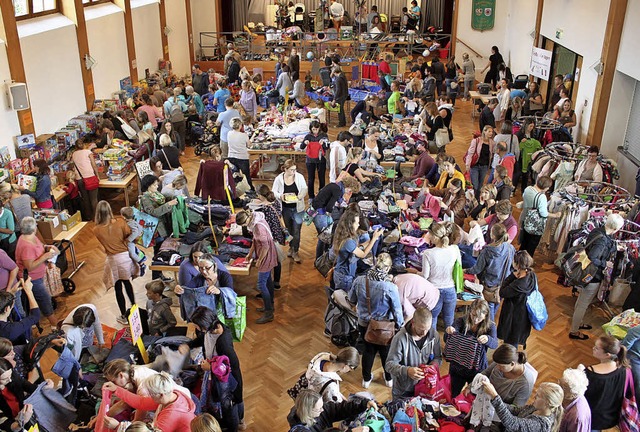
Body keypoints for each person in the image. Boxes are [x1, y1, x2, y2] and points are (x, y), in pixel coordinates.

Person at [181, 306, 245, 430]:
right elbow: (202, 339)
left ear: (205, 325)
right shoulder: (211, 330)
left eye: (198, 326)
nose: (196, 328)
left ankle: (234, 426)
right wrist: (189, 345)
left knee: (229, 407)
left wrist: (210, 367)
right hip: (215, 375)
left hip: (226, 382)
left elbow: (233, 367)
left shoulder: (223, 343)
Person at [349, 254, 404, 389]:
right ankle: (388, 379)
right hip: (385, 326)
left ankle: (366, 379)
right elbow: (397, 311)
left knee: (368, 351)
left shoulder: (360, 280)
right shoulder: (390, 287)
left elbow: (351, 300)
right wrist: (400, 325)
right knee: (386, 352)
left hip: (364, 323)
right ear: (388, 268)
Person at [569, 213, 624, 340]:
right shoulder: (602, 241)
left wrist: (615, 247)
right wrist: (606, 263)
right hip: (593, 275)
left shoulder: (598, 231)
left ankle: (578, 323)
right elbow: (593, 257)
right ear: (616, 229)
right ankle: (574, 331)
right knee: (584, 303)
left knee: (582, 300)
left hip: (586, 272)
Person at [102, 373, 196, 432]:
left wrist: (118, 427)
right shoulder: (172, 395)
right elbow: (141, 402)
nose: (149, 397)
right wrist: (116, 389)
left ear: (161, 395)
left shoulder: (170, 416)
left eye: (151, 394)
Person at [93, 201, 137, 325]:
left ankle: (123, 315)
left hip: (112, 259)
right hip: (125, 257)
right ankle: (134, 307)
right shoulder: (120, 222)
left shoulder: (96, 230)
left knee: (118, 287)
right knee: (128, 283)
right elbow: (129, 234)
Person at [445, 299, 499, 396]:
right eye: (473, 315)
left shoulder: (490, 327)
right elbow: (447, 338)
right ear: (470, 311)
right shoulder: (461, 321)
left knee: (473, 396)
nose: (475, 319)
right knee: (453, 393)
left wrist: (488, 339)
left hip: (476, 368)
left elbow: (495, 344)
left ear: (486, 315)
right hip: (458, 368)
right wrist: (449, 331)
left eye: (479, 317)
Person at [386, 307, 442, 399]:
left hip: (425, 388)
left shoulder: (434, 335)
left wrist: (433, 366)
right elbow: (389, 365)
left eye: (427, 329)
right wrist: (407, 371)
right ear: (413, 323)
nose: (424, 333)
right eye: (421, 329)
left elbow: (438, 358)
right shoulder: (400, 338)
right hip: (403, 390)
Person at [15, 217, 58, 327]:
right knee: (45, 301)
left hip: (38, 276)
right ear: (34, 228)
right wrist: (46, 256)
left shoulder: (30, 237)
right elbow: (30, 267)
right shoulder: (26, 246)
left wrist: (47, 247)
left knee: (42, 299)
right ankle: (55, 326)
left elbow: (40, 247)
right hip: (32, 279)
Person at [466, 224, 516, 320]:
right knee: (496, 302)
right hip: (504, 283)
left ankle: (489, 329)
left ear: (493, 236)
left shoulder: (487, 251)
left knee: (489, 310)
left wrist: (467, 270)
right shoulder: (510, 248)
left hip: (490, 284)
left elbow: (477, 269)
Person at [236, 211, 278, 324]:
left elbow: (265, 246)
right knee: (268, 280)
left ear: (247, 220)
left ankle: (269, 312)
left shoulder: (258, 227)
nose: (244, 227)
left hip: (266, 256)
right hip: (265, 254)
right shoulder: (255, 221)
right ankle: (270, 306)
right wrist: (250, 254)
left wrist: (259, 260)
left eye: (243, 224)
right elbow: (255, 241)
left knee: (261, 284)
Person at [584, 336, 629, 431]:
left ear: (607, 355)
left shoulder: (591, 373)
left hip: (593, 417)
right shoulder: (623, 369)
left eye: (596, 348)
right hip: (611, 415)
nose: (593, 348)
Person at [481, 380, 564, 432]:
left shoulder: (540, 424)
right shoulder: (537, 407)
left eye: (538, 396)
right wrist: (493, 401)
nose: (534, 397)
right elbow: (515, 410)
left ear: (547, 403)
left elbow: (512, 423)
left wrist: (495, 396)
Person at [422, 222, 461, 330]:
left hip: (434, 290)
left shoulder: (428, 253)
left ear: (434, 237)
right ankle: (450, 344)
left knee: (432, 318)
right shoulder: (454, 249)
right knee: (449, 321)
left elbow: (425, 276)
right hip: (450, 289)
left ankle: (433, 344)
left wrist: (416, 273)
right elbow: (459, 268)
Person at [331, 211, 382, 292]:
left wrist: (371, 239)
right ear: (351, 225)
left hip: (341, 273)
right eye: (357, 223)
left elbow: (357, 248)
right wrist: (374, 239)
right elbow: (363, 254)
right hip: (345, 277)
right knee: (345, 300)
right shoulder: (348, 241)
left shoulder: (344, 235)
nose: (358, 225)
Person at [312, 175, 361, 260]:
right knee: (323, 238)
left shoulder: (335, 185)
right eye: (350, 190)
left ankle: (320, 257)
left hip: (315, 213)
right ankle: (320, 260)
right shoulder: (338, 190)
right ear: (349, 187)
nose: (349, 192)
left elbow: (335, 199)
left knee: (323, 237)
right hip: (320, 215)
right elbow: (329, 207)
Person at [139, 175, 177, 281]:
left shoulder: (155, 195)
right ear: (148, 186)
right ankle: (156, 277)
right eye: (154, 185)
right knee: (158, 252)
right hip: (156, 230)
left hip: (162, 226)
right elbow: (154, 212)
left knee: (159, 251)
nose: (157, 186)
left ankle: (158, 276)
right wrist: (168, 204)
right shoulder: (145, 198)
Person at [497, 250, 537, 348]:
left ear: (518, 264)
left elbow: (502, 292)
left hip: (513, 317)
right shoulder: (531, 275)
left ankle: (508, 359)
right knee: (514, 339)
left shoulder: (518, 284)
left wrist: (512, 276)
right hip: (523, 315)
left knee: (510, 341)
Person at [287, 389, 376, 432]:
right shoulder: (299, 430)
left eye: (322, 406)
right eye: (318, 409)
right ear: (307, 411)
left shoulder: (320, 410)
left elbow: (340, 409)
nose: (322, 410)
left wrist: (364, 404)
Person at [273, 159, 308, 264]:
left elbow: (304, 189)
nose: (293, 172)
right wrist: (280, 196)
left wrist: (299, 197)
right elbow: (274, 191)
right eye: (291, 170)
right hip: (286, 209)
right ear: (285, 169)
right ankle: (291, 247)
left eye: (295, 170)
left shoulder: (299, 177)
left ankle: (295, 251)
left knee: (297, 231)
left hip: (298, 208)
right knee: (289, 230)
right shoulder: (279, 179)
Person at [250, 184, 286, 285]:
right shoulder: (276, 203)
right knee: (277, 259)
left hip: (269, 237)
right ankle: (277, 282)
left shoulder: (263, 209)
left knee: (269, 260)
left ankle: (269, 283)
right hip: (278, 234)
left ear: (260, 195)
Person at [0, 278, 41, 344]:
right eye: (12, 306)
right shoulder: (9, 330)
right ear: (6, 309)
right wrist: (29, 291)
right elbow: (35, 316)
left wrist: (12, 293)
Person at [300, 120, 329, 199]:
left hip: (321, 160)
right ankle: (311, 197)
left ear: (319, 128)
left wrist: (323, 144)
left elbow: (327, 147)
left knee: (322, 178)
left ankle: (321, 195)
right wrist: (304, 143)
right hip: (310, 161)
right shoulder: (308, 136)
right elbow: (301, 147)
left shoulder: (324, 135)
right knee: (310, 179)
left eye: (317, 129)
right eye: (313, 129)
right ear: (311, 129)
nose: (315, 131)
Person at [465, 125, 496, 199]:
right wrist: (467, 165)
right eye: (489, 131)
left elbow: (492, 154)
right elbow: (470, 153)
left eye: (492, 132)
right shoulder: (476, 141)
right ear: (484, 132)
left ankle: (477, 199)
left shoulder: (492, 143)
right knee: (475, 184)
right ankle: (473, 199)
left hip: (484, 166)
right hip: (475, 166)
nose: (491, 133)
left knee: (480, 185)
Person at [559, 368, 591, 432]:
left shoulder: (577, 417)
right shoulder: (567, 397)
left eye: (563, 387)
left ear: (573, 394)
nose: (558, 387)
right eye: (559, 382)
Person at [227, 117, 254, 192]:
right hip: (242, 158)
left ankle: (233, 190)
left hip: (231, 157)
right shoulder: (244, 135)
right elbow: (249, 145)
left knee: (234, 175)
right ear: (240, 126)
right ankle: (251, 190)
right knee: (246, 175)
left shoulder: (229, 133)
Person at [120, 206, 146, 272]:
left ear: (123, 217)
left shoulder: (130, 224)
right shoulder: (132, 221)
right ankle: (138, 253)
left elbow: (135, 232)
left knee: (132, 254)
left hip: (131, 241)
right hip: (134, 240)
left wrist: (128, 240)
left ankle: (141, 263)